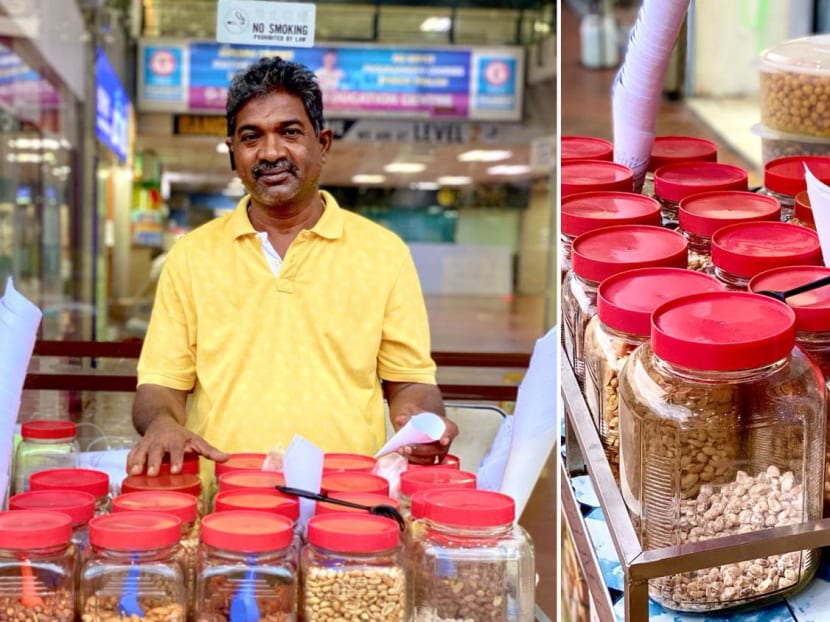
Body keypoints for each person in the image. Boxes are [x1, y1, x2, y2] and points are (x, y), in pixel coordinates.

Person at [126, 56, 456, 477]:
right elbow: (161, 384)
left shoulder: (383, 254)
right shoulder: (191, 256)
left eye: (290, 132)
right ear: (233, 152)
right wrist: (162, 424)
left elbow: (409, 382)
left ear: (323, 144)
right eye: (251, 137)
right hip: (225, 500)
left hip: (348, 501)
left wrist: (422, 424)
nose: (271, 152)